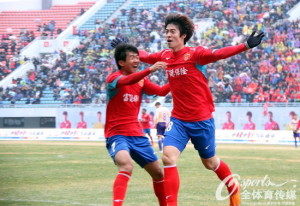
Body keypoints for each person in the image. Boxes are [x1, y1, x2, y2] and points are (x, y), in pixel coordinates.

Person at [111, 13, 264, 206]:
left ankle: (233, 186)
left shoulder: (195, 54)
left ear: (183, 35)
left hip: (201, 120)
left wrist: (245, 45)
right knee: (167, 157)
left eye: (172, 31)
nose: (168, 34)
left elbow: (218, 54)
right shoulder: (164, 56)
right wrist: (125, 49)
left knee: (209, 163)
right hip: (179, 120)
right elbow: (146, 56)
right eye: (166, 31)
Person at [105, 43, 170, 206]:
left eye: (137, 57)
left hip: (137, 135)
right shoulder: (113, 78)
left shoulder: (141, 80)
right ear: (121, 62)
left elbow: (161, 91)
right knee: (126, 165)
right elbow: (126, 80)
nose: (137, 60)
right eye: (132, 58)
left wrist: (178, 79)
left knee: (158, 173)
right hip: (117, 134)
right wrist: (150, 69)